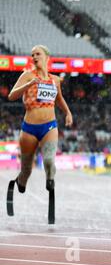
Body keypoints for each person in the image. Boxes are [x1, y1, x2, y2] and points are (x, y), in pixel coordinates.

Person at [7, 45, 73, 224]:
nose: (34, 57)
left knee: (50, 160)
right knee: (26, 170)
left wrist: (67, 112)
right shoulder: (27, 75)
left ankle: (50, 179)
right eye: (32, 55)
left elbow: (59, 99)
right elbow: (11, 96)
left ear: (46, 57)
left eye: (38, 54)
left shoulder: (55, 80)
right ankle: (19, 182)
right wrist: (28, 85)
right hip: (29, 128)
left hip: (49, 126)